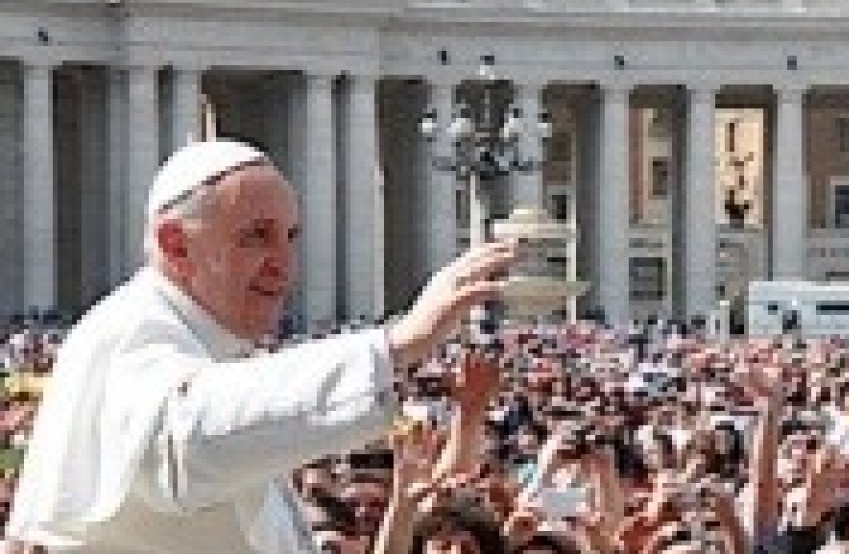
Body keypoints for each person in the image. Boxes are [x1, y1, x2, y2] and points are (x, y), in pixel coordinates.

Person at [6, 139, 516, 552]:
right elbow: (186, 438)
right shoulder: (132, 331)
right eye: (256, 237)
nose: (283, 264)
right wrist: (396, 344)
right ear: (175, 245)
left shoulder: (214, 347)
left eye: (290, 237)